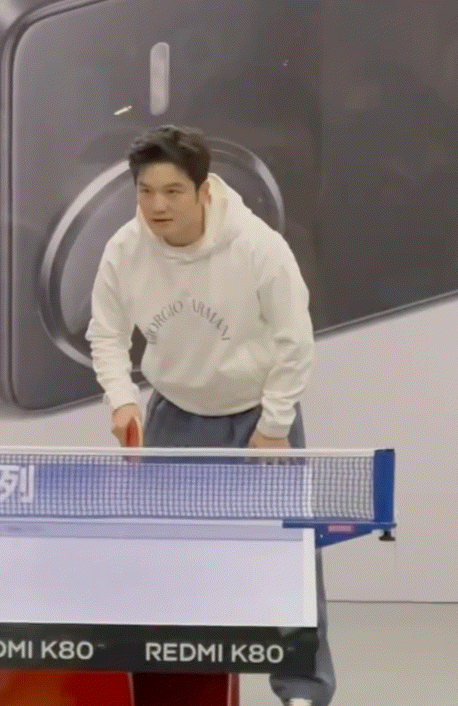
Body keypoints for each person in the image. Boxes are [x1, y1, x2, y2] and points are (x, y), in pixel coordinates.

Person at [86, 125, 334, 706]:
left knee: (291, 563)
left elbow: (295, 341)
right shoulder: (125, 249)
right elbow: (107, 333)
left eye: (172, 191)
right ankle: (181, 683)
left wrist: (274, 426)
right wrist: (121, 398)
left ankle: (302, 691)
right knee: (169, 564)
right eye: (146, 191)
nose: (157, 205)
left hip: (258, 419)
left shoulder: (258, 246)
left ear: (202, 191)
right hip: (175, 418)